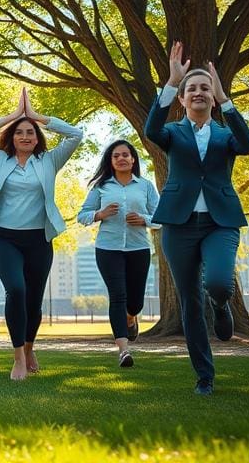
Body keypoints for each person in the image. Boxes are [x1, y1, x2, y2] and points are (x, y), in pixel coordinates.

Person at [145, 42, 249, 396]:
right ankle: (204, 376)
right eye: (191, 88)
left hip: (219, 223)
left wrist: (227, 100)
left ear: (212, 95)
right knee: (189, 302)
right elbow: (151, 129)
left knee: (220, 282)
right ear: (182, 99)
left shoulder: (226, 135)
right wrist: (170, 81)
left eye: (204, 87)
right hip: (178, 226)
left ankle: (222, 304)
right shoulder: (172, 133)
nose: (198, 92)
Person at [0, 88, 83, 381]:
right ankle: (18, 356)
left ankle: (30, 347)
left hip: (38, 240)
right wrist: (11, 116)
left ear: (37, 136)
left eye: (30, 132)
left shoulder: (49, 161)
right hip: (5, 238)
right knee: (16, 290)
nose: (25, 136)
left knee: (33, 300)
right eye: (19, 132)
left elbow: (76, 135)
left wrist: (37, 116)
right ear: (11, 136)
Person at [77, 140, 159, 368]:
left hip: (138, 248)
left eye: (126, 155)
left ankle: (131, 317)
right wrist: (99, 214)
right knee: (118, 296)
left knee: (135, 302)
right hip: (108, 249)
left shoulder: (145, 186)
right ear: (110, 162)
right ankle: (123, 350)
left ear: (133, 159)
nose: (121, 158)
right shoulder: (101, 187)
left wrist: (144, 220)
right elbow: (82, 215)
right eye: (116, 156)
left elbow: (162, 217)